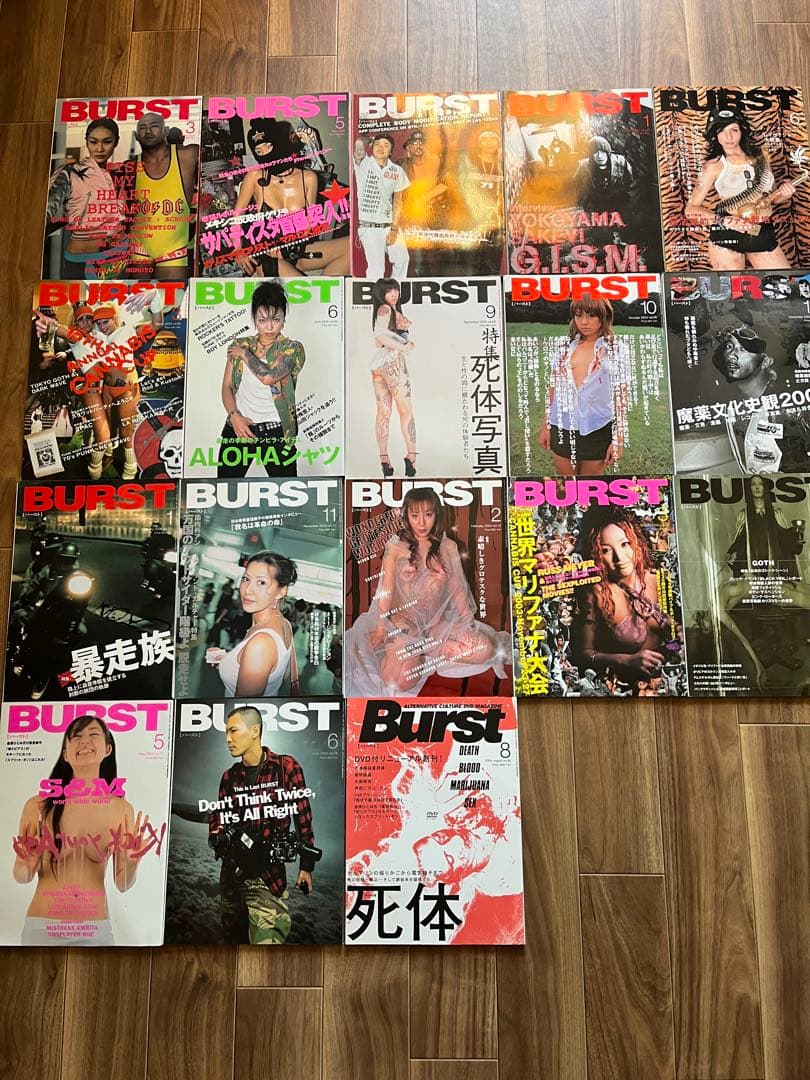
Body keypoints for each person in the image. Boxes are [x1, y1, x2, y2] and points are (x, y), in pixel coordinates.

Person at [345, 487, 511, 695]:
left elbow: (457, 588)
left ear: (436, 515)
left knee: (484, 650)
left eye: (428, 515)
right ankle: (405, 651)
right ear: (407, 516)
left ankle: (424, 650)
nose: (422, 523)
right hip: (404, 623)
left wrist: (466, 623)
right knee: (399, 681)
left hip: (435, 624)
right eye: (415, 516)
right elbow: (385, 591)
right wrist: (380, 630)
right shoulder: (395, 548)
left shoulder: (448, 547)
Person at [12, 716, 151, 945]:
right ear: (65, 754)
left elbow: (123, 884)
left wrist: (133, 863)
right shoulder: (38, 806)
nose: (85, 741)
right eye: (76, 736)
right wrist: (25, 864)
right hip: (41, 928)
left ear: (107, 749)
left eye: (93, 734)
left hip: (96, 930)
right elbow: (20, 877)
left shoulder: (121, 809)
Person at [208, 705, 317, 944]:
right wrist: (217, 834)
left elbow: (303, 816)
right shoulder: (228, 776)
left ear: (255, 731)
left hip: (267, 877)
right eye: (226, 732)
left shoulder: (286, 767)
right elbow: (219, 814)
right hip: (231, 877)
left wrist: (306, 866)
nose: (228, 739)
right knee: (233, 941)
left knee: (265, 946)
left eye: (233, 731)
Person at [717, 474, 810, 686]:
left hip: (773, 575)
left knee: (802, 592)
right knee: (800, 596)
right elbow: (739, 543)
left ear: (765, 489)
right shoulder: (744, 516)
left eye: (760, 484)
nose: (757, 488)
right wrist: (732, 554)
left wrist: (797, 536)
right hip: (758, 581)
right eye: (753, 485)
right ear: (749, 490)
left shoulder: (776, 514)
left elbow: (792, 547)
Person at [571, 506, 677, 689]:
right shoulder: (596, 593)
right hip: (626, 688)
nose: (619, 558)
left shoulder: (659, 578)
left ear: (636, 542)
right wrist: (625, 660)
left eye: (625, 544)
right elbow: (583, 654)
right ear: (596, 555)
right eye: (606, 550)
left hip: (671, 680)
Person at [229, 119, 349, 278]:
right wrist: (238, 249)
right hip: (266, 254)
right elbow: (236, 219)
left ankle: (328, 281)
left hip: (296, 250)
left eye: (268, 146)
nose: (265, 154)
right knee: (304, 288)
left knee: (356, 246)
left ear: (280, 143)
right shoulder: (255, 177)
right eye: (259, 151)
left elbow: (310, 223)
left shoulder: (309, 178)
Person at [685, 108, 796, 270]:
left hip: (761, 229)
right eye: (722, 131)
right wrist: (723, 221)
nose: (729, 137)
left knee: (784, 283)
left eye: (734, 130)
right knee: (731, 286)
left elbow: (770, 199)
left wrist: (784, 194)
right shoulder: (714, 166)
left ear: (742, 131)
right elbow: (690, 210)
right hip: (728, 232)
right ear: (715, 134)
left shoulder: (761, 157)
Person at [217, 280, 305, 478]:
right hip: (239, 427)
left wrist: (245, 354)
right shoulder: (241, 344)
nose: (269, 326)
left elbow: (268, 377)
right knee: (226, 490)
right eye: (262, 320)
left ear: (284, 319)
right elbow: (227, 386)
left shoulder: (292, 349)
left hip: (277, 432)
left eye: (276, 319)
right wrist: (234, 416)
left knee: (285, 491)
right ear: (255, 320)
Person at [538, 296, 628, 475]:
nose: (584, 322)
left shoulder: (616, 349)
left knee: (590, 485)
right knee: (567, 484)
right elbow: (554, 387)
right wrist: (546, 424)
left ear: (604, 316)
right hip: (562, 424)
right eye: (579, 315)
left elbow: (621, 394)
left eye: (591, 315)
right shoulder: (563, 347)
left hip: (597, 426)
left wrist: (618, 437)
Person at [205, 551, 301, 698]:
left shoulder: (261, 643)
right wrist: (230, 661)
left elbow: (244, 709)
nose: (247, 590)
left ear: (281, 591)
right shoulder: (284, 624)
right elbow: (283, 673)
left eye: (262, 582)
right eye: (246, 578)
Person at [45, 118, 128, 279]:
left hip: (117, 254)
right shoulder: (70, 172)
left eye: (107, 142)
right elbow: (44, 213)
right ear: (87, 142)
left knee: (116, 297)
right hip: (80, 259)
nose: (100, 148)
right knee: (77, 295)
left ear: (116, 142)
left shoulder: (119, 175)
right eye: (93, 142)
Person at [124, 113, 199, 281]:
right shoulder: (130, 167)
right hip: (139, 247)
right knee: (138, 297)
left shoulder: (188, 155)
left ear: (166, 130)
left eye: (154, 126)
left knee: (173, 297)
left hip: (173, 248)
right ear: (137, 136)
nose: (148, 131)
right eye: (143, 128)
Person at [369, 278, 417, 477]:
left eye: (395, 289)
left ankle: (384, 458)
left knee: (383, 413)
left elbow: (380, 340)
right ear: (381, 294)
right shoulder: (385, 309)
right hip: (393, 365)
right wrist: (404, 347)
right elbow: (379, 336)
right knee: (406, 412)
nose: (394, 293)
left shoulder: (386, 310)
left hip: (378, 366)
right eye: (389, 290)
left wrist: (402, 342)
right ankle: (411, 456)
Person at [353, 134, 410, 279]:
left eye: (386, 145)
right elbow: (359, 144)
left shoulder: (396, 170)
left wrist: (394, 228)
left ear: (391, 151)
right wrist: (368, 139)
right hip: (369, 226)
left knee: (402, 259)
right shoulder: (364, 163)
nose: (381, 148)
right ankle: (376, 293)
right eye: (377, 144)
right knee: (376, 268)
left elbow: (398, 200)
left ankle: (395, 289)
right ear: (372, 147)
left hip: (389, 224)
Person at [573, 135, 637, 214]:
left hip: (619, 206)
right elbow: (579, 190)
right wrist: (587, 210)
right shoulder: (584, 166)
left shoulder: (621, 162)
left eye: (603, 152)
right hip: (595, 208)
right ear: (591, 155)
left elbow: (632, 187)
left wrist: (629, 209)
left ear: (608, 152)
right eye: (595, 152)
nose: (599, 156)